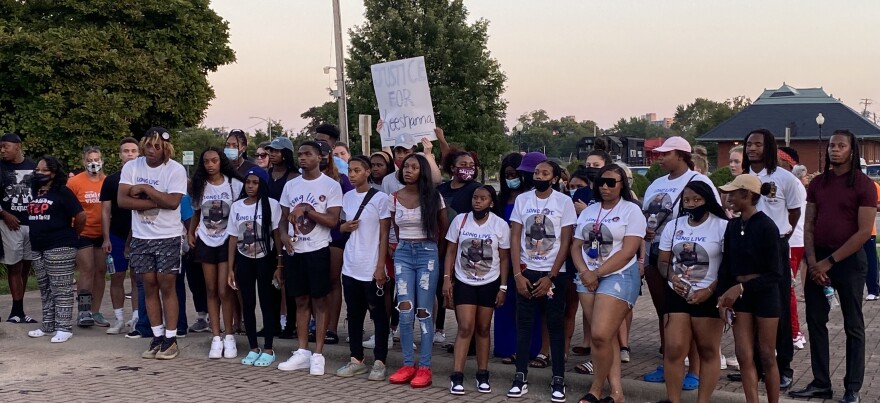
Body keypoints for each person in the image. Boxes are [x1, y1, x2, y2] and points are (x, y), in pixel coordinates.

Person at [790, 129, 875, 403]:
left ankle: (853, 387)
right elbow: (809, 224)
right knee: (815, 321)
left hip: (849, 262)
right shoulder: (818, 184)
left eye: (840, 145)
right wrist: (814, 262)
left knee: (853, 325)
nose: (834, 150)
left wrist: (829, 262)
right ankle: (820, 382)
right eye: (831, 145)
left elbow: (863, 232)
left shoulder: (863, 185)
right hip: (819, 260)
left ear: (852, 150)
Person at [641, 136, 719, 387]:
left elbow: (713, 216)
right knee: (666, 311)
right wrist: (646, 230)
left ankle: (694, 369)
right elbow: (647, 214)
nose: (661, 158)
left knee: (691, 311)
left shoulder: (699, 181)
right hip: (658, 251)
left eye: (666, 154)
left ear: (682, 155)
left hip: (689, 253)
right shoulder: (655, 184)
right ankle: (668, 361)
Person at [572, 164, 645, 403]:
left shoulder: (631, 211)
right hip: (587, 275)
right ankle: (616, 393)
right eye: (601, 182)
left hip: (619, 275)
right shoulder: (588, 211)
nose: (605, 186)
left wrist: (597, 273)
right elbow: (575, 246)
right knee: (606, 337)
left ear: (622, 184)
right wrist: (585, 272)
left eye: (611, 182)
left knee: (601, 334)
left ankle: (595, 389)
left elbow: (628, 251)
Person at [507, 159, 576, 402]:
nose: (539, 175)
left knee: (555, 326)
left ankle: (558, 379)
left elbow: (566, 241)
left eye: (545, 173)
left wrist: (551, 277)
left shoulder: (564, 202)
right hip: (526, 272)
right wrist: (517, 275)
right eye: (536, 172)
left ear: (555, 178)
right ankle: (520, 376)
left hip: (553, 273)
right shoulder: (523, 200)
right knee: (524, 325)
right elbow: (515, 237)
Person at [738, 129, 802, 390]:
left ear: (770, 147)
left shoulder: (785, 178)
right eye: (748, 144)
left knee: (778, 310)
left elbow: (795, 212)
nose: (751, 148)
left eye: (757, 144)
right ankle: (754, 366)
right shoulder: (742, 178)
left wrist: (781, 235)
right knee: (748, 309)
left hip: (774, 248)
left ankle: (783, 366)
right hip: (745, 246)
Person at [118, 127, 187, 360]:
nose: (152, 150)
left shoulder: (175, 169)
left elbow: (172, 202)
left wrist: (146, 190)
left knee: (167, 285)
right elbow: (122, 200)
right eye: (148, 145)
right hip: (141, 236)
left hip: (168, 235)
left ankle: (171, 337)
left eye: (157, 146)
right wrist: (155, 200)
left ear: (165, 148)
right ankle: (157, 336)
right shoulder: (131, 167)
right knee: (148, 285)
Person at [654, 181, 726, 403]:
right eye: (686, 200)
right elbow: (663, 261)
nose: (691, 204)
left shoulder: (722, 226)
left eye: (697, 200)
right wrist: (672, 277)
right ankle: (673, 400)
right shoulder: (673, 226)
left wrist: (711, 290)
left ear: (707, 200)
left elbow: (729, 266)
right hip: (677, 293)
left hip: (708, 294)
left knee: (707, 349)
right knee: (674, 348)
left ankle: (702, 400)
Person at [277, 141, 343, 375]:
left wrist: (306, 210)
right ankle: (302, 351)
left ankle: (318, 353)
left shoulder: (331, 185)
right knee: (300, 300)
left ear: (320, 157)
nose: (302, 158)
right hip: (295, 250)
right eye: (300, 154)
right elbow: (284, 217)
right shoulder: (291, 184)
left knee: (319, 301)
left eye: (308, 154)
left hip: (318, 249)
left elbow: (333, 221)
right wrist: (284, 235)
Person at [716, 174, 781, 403]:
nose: (729, 197)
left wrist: (742, 287)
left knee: (767, 355)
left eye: (734, 193)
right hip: (739, 295)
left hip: (764, 295)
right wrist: (723, 297)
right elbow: (726, 265)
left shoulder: (766, 226)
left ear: (747, 195)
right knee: (744, 355)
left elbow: (775, 274)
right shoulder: (733, 225)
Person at [387, 153, 448, 388]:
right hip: (403, 253)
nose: (408, 170)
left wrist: (435, 254)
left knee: (424, 311)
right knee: (404, 309)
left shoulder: (434, 197)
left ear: (422, 171)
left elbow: (444, 230)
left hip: (427, 254)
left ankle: (424, 367)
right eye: (405, 166)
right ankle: (406, 364)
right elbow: (396, 229)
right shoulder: (393, 198)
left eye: (413, 166)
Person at [443, 185, 510, 395]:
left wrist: (503, 286)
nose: (477, 201)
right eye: (475, 198)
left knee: (482, 328)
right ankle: (457, 375)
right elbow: (451, 251)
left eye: (482, 198)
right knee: (465, 327)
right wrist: (447, 279)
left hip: (490, 282)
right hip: (464, 282)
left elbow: (505, 257)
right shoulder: (460, 220)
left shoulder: (499, 225)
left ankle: (483, 373)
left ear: (491, 202)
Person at [336, 155, 390, 380]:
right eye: (350, 170)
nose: (352, 174)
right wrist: (344, 227)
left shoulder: (381, 198)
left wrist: (380, 267)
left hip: (371, 265)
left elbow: (385, 233)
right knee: (354, 314)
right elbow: (340, 227)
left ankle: (380, 360)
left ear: (368, 172)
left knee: (378, 315)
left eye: (357, 170)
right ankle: (356, 359)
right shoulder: (347, 197)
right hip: (350, 265)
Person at [188, 147, 243, 359]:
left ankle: (229, 336)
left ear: (221, 161)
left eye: (214, 160)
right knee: (210, 289)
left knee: (224, 290)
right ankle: (216, 336)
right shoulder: (199, 186)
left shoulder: (234, 185)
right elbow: (196, 212)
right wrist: (191, 232)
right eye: (206, 161)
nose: (210, 165)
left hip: (227, 241)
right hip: (206, 240)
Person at [26, 156, 86, 343]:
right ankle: (48, 325)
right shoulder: (35, 191)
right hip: (38, 247)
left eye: (44, 170)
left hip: (60, 245)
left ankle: (64, 327)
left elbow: (81, 215)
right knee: (45, 288)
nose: (40, 173)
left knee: (61, 288)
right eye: (38, 170)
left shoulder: (63, 192)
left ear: (53, 173)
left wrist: (74, 234)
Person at [227, 167, 281, 367]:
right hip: (244, 259)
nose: (250, 186)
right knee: (247, 303)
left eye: (255, 182)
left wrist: (279, 263)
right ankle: (253, 347)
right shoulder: (237, 206)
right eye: (247, 182)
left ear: (263, 184)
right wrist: (230, 268)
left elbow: (276, 235)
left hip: (265, 258)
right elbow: (233, 237)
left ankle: (268, 348)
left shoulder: (272, 205)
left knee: (267, 303)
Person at [494, 153, 540, 362]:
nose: (511, 178)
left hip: (529, 257)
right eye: (507, 175)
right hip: (503, 259)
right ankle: (506, 347)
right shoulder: (499, 200)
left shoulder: (530, 199)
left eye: (515, 174)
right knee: (505, 304)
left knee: (528, 306)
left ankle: (530, 349)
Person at [435, 149, 483, 345]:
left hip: (466, 249)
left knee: (463, 294)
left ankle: (468, 339)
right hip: (440, 246)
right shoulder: (441, 190)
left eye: (471, 165)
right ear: (452, 168)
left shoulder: (476, 189)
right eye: (463, 165)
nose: (468, 169)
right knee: (444, 291)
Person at [101, 137, 141, 334]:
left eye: (134, 151)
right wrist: (106, 238)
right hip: (116, 235)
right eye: (126, 151)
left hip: (140, 235)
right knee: (116, 276)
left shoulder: (144, 178)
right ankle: (118, 319)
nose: (130, 154)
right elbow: (105, 211)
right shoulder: (111, 180)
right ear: (120, 155)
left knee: (137, 277)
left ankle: (136, 318)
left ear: (139, 153)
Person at [317, 141, 353, 345]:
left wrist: (342, 226)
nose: (320, 158)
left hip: (335, 237)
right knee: (315, 284)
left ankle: (331, 328)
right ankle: (317, 325)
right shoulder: (301, 181)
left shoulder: (341, 180)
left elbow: (351, 205)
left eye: (323, 155)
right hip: (310, 238)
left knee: (332, 282)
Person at [67, 147, 108, 327]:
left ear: (102, 161)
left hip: (102, 232)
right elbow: (67, 207)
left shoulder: (107, 182)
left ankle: (95, 311)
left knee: (101, 271)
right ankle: (83, 311)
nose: (94, 163)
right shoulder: (75, 182)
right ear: (84, 162)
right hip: (81, 232)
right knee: (87, 270)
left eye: (97, 159)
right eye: (90, 159)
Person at [0, 133, 37, 323]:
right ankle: (15, 311)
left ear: (18, 146)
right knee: (14, 265)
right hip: (10, 223)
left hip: (31, 223)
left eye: (6, 146)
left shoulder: (33, 167)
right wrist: (5, 215)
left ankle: (20, 310)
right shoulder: (1, 168)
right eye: (1, 147)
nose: (3, 150)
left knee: (26, 265)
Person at [777, 146, 808, 350]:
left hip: (792, 242)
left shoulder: (791, 182)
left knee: (787, 289)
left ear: (787, 162)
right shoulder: (784, 180)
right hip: (790, 241)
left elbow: (791, 214)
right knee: (783, 289)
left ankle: (794, 333)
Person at [859, 157, 880, 302]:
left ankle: (874, 289)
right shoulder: (847, 186)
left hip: (867, 230)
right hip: (848, 231)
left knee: (870, 261)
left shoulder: (873, 186)